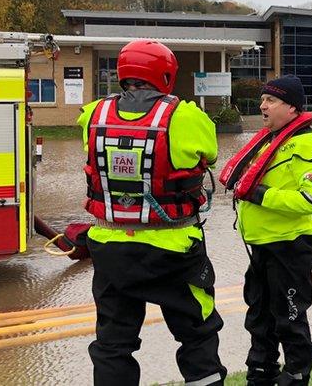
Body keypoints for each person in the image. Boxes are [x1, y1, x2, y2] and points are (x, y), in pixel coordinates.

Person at [77, 39, 227, 386]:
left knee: (113, 344)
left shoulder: (92, 114)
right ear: (166, 76)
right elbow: (211, 155)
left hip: (110, 248)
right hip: (173, 249)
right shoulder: (186, 116)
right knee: (197, 335)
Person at [219, 74, 312, 386]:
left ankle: (296, 374)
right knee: (259, 316)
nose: (262, 105)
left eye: (271, 100)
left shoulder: (311, 146)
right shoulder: (270, 141)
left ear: (292, 108)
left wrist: (260, 195)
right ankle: (260, 372)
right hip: (261, 245)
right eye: (263, 99)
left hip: (290, 247)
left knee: (290, 319)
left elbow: (310, 200)